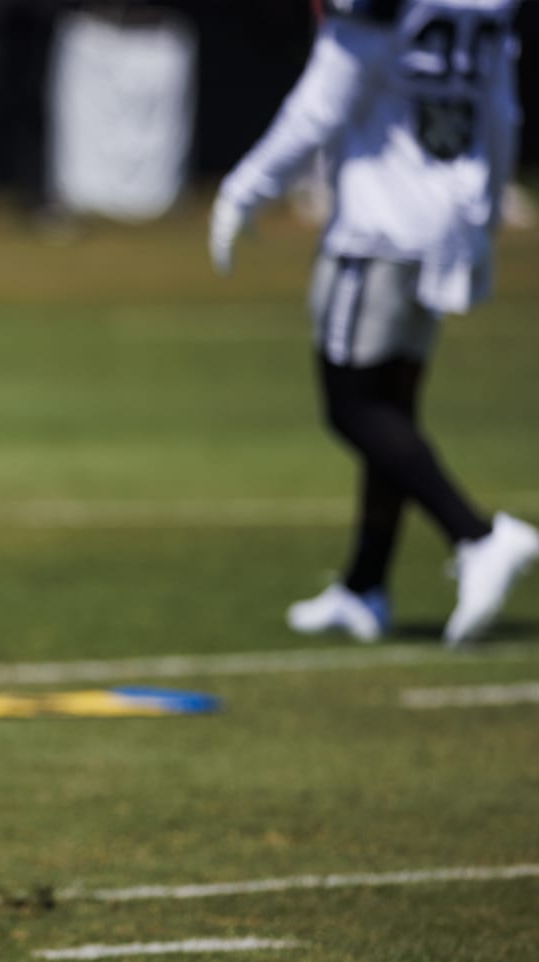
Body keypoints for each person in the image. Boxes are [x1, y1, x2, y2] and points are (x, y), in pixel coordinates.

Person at [211, 0, 538, 647]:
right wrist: (482, 220)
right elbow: (502, 111)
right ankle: (366, 587)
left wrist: (247, 188)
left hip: (380, 224)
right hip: (448, 217)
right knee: (393, 407)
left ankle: (477, 535)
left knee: (353, 407)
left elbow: (321, 103)